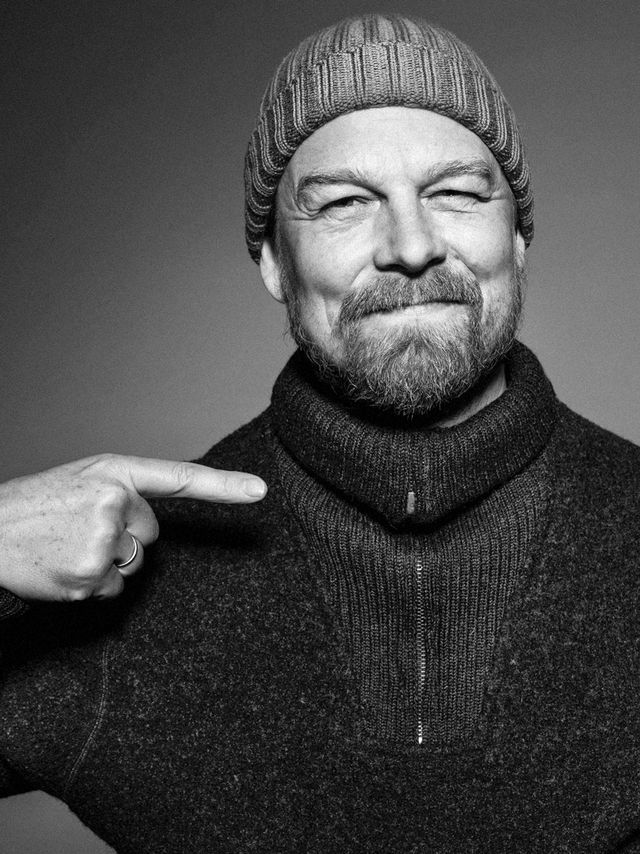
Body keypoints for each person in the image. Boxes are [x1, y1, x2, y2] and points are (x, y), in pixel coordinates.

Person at [1, 13, 639, 853]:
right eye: (343, 204)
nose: (411, 247)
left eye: (455, 192)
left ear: (517, 236)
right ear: (274, 261)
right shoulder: (121, 584)